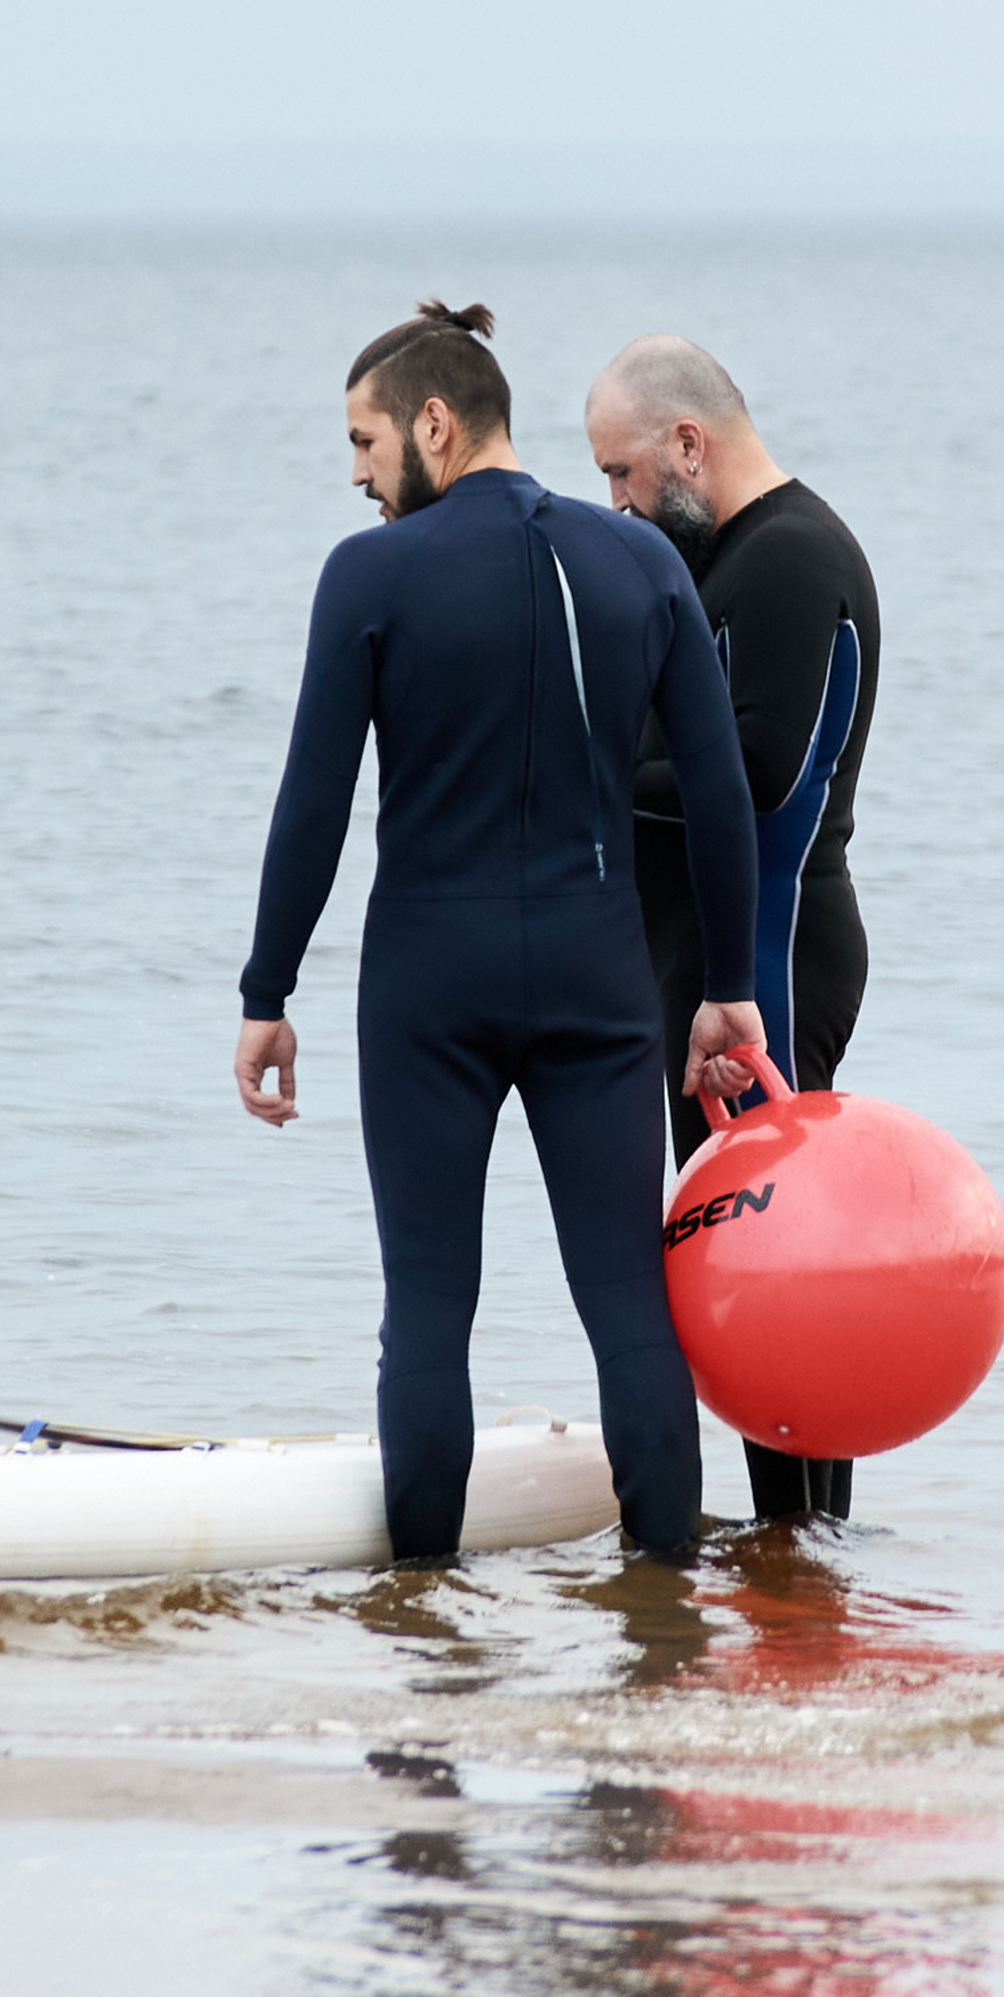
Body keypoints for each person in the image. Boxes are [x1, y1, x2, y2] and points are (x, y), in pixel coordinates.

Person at [233, 301, 766, 1564]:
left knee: (427, 1305)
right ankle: (666, 1609)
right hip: (596, 975)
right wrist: (728, 982)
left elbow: (314, 800)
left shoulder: (368, 575)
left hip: (429, 979)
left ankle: (422, 1620)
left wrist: (267, 990)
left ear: (435, 423)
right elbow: (717, 789)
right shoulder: (640, 563)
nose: (355, 473)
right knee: (628, 1300)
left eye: (364, 440)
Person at [583, 334, 881, 1523]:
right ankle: (795, 1550)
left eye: (622, 473)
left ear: (687, 444)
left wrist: (588, 782)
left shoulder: (791, 558)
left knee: (777, 1260)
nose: (617, 502)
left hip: (772, 955)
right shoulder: (731, 561)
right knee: (752, 1256)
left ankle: (802, 1543)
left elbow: (758, 772)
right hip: (719, 958)